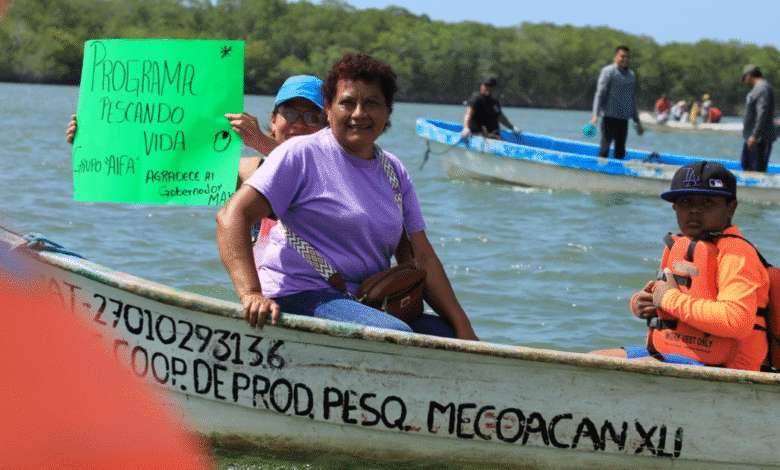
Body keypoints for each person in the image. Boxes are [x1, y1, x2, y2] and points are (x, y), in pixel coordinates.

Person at [216, 53, 479, 341]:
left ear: (388, 112)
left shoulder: (394, 170)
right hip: (299, 294)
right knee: (394, 334)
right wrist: (251, 294)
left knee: (448, 335)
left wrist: (465, 329)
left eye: (372, 103)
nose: (358, 113)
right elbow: (232, 216)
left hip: (368, 301)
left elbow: (423, 258)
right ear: (328, 109)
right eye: (347, 102)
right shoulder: (300, 154)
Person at [590, 161, 769, 371]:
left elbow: (737, 320)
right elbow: (672, 298)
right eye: (685, 202)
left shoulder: (736, 252)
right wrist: (642, 303)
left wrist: (667, 299)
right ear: (674, 207)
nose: (694, 210)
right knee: (593, 359)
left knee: (621, 369)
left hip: (729, 365)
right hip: (679, 353)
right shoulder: (684, 246)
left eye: (707, 202)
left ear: (731, 207)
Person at [67, 74, 327, 187]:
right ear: (273, 118)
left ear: (327, 125)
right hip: (262, 294)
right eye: (291, 113)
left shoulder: (335, 166)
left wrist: (258, 140)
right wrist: (94, 141)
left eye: (312, 117)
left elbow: (308, 164)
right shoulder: (247, 170)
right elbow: (162, 169)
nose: (300, 124)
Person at [590, 45, 643, 159]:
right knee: (605, 148)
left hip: (623, 120)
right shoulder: (608, 71)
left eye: (627, 57)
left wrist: (637, 122)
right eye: (622, 56)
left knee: (620, 151)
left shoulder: (631, 75)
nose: (625, 59)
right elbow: (600, 94)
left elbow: (631, 100)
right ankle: (600, 173)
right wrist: (595, 115)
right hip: (609, 117)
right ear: (615, 57)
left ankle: (616, 175)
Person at [741, 64, 776, 172]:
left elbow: (762, 114)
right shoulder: (757, 89)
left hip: (759, 139)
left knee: (757, 170)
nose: (745, 81)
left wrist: (755, 136)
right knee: (746, 167)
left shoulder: (763, 89)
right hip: (752, 138)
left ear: (749, 75)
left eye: (744, 78)